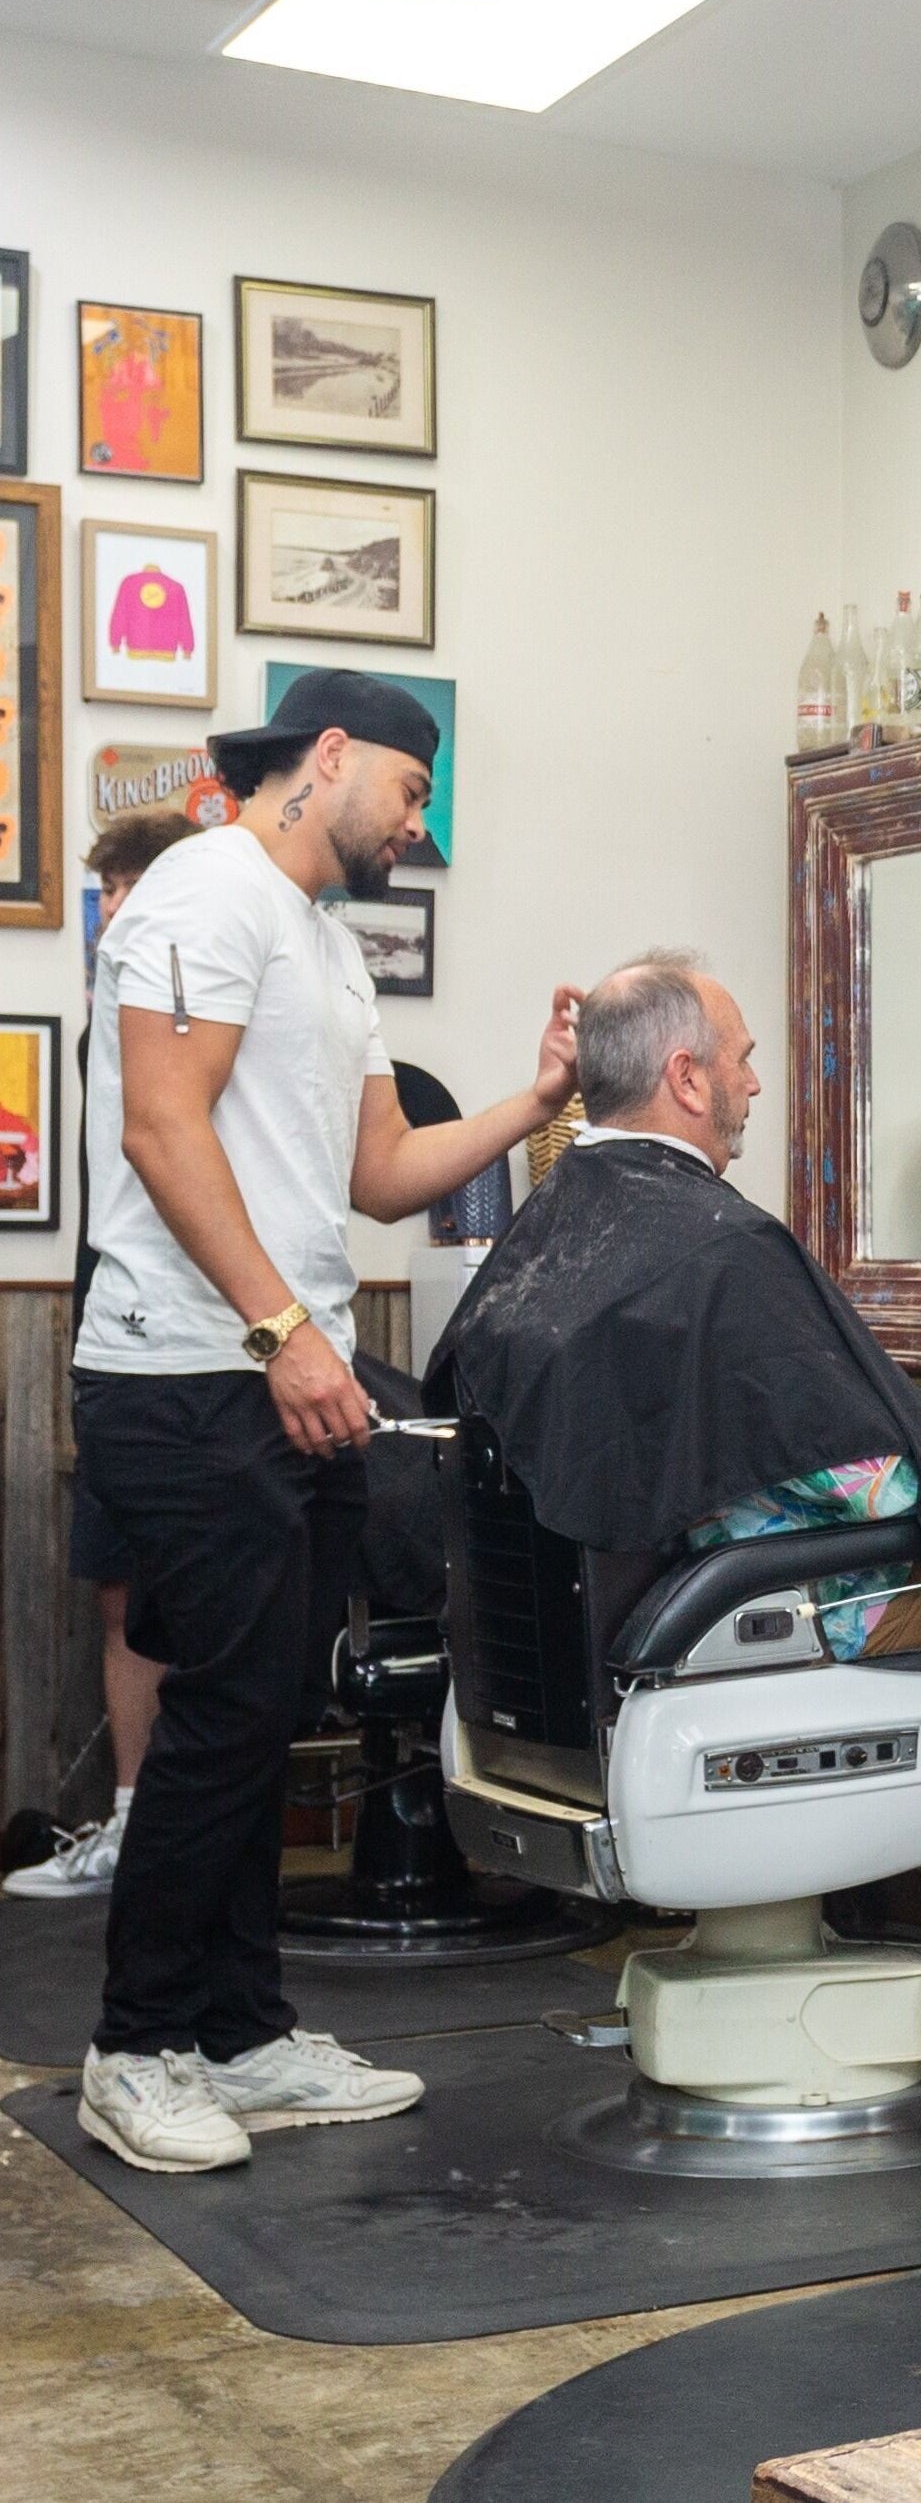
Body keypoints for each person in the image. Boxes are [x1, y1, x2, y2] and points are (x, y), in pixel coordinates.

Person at [74, 670, 579, 2175]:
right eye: (413, 793)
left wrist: (536, 1099)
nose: (417, 824)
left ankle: (240, 2033)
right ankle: (135, 2046)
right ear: (334, 756)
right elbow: (161, 1126)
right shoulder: (202, 890)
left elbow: (378, 1172)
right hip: (186, 1372)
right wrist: (283, 1330)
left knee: (268, 1709)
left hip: (284, 1368)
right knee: (224, 1710)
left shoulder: (329, 945)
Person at [425, 954, 921, 1658]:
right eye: (741, 1059)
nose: (754, 1083)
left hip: (589, 1633)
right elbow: (877, 1489)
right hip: (804, 1606)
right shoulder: (727, 1253)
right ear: (686, 1078)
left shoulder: (539, 1238)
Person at [10, 808, 204, 1903]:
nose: (112, 913)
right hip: (113, 1336)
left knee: (203, 1596)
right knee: (122, 1589)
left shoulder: (203, 1006)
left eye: (129, 888)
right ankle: (134, 1820)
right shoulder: (112, 1017)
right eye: (105, 895)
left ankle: (184, 1833)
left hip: (205, 1341)